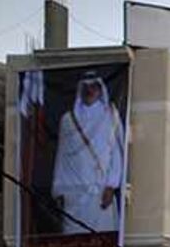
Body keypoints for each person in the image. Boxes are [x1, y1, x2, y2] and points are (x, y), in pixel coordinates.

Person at [51, 71, 124, 234]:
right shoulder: (68, 120)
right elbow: (61, 158)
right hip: (73, 196)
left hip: (100, 195)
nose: (90, 91)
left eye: (94, 87)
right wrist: (59, 190)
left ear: (100, 89)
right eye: (86, 87)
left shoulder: (110, 116)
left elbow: (116, 154)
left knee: (102, 244)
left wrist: (112, 186)